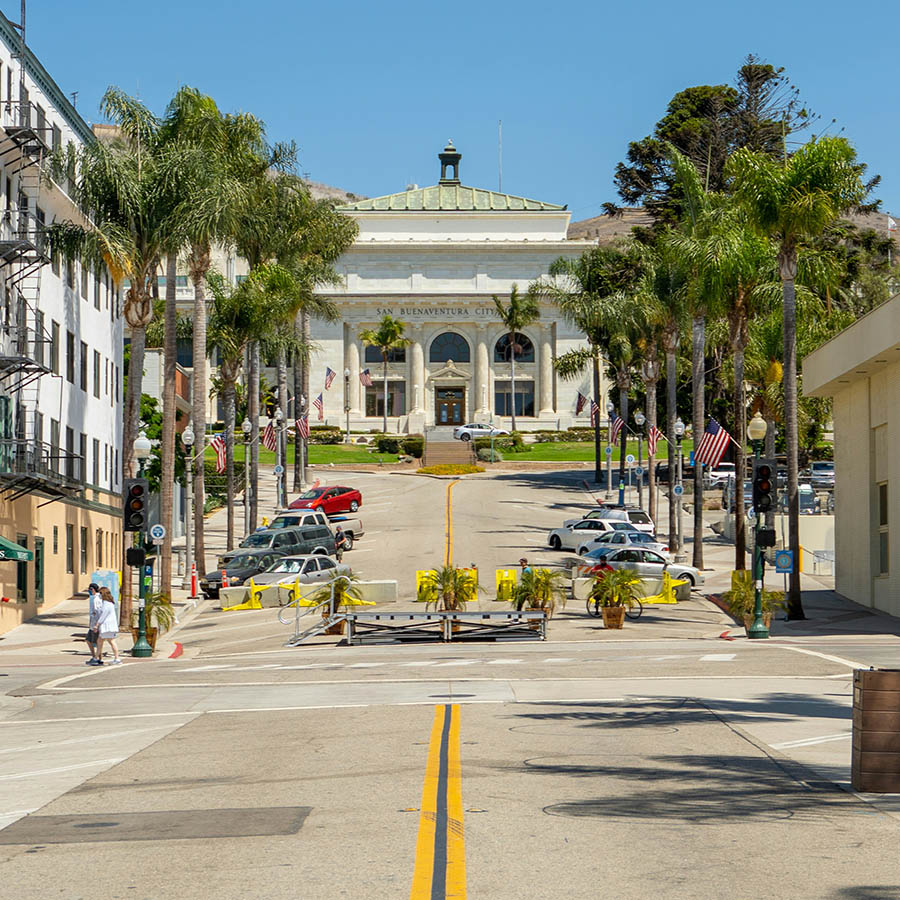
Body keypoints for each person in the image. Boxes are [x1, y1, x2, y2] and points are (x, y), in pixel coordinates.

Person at [90, 587, 122, 666]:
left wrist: (97, 625)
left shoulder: (107, 604)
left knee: (110, 641)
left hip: (107, 626)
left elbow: (103, 616)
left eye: (100, 593)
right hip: (108, 626)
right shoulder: (107, 603)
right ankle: (96, 658)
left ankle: (116, 658)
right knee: (100, 641)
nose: (99, 595)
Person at [84, 583, 101, 664]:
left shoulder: (96, 599)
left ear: (93, 589)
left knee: (95, 642)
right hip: (93, 624)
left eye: (90, 590)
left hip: (95, 625)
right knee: (90, 640)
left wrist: (96, 625)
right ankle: (95, 657)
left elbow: (97, 612)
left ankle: (96, 658)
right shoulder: (95, 598)